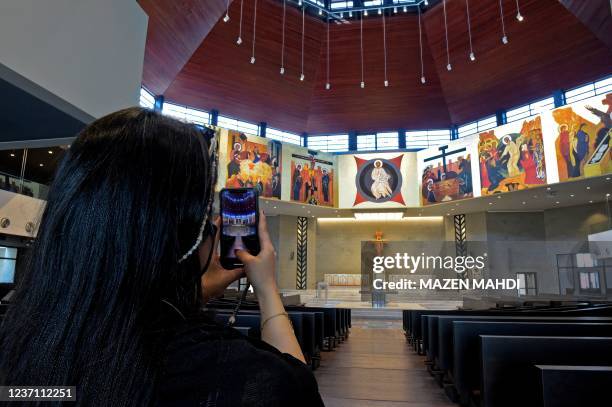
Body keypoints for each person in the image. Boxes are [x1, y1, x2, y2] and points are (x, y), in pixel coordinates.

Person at [0, 107, 323, 407]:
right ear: (187, 234)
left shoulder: (20, 340)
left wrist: (192, 295)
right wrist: (266, 288)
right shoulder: (232, 373)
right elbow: (297, 387)